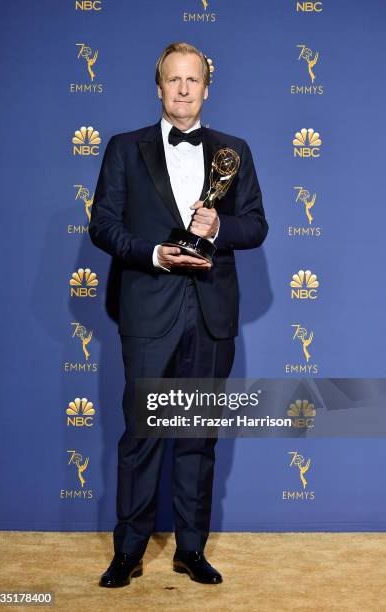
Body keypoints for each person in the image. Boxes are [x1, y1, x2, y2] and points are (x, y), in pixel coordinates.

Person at [88, 41, 268, 588]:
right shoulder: (124, 148)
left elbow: (256, 225)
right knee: (142, 434)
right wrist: (152, 254)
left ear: (206, 88)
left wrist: (221, 228)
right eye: (174, 80)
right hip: (148, 308)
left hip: (212, 313)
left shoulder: (233, 150)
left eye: (193, 80)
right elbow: (103, 224)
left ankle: (191, 550)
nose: (184, 89)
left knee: (197, 436)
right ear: (159, 86)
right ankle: (128, 552)